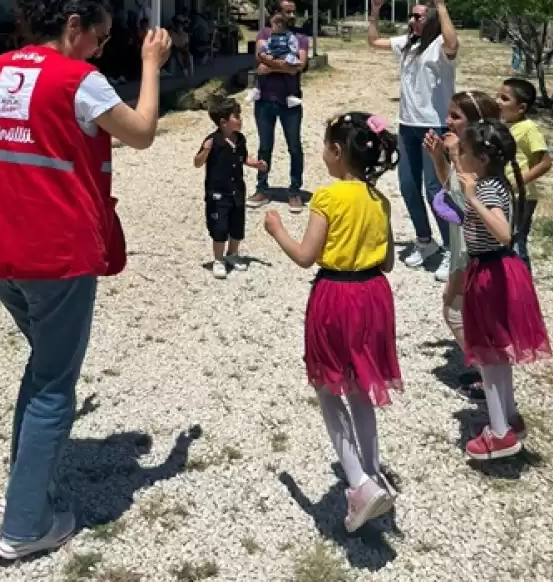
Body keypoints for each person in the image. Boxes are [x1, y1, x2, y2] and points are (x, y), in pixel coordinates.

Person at [0, 0, 171, 561]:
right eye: (100, 39)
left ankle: (29, 480)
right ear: (74, 25)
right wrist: (149, 65)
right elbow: (142, 132)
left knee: (43, 368)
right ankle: (24, 525)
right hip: (53, 251)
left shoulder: (1, 67)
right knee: (55, 384)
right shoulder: (78, 78)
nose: (101, 49)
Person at [263, 112, 402, 533]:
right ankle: (372, 472)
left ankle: (358, 483)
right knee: (361, 388)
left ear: (337, 152)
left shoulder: (327, 198)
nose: (323, 153)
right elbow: (390, 261)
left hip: (336, 297)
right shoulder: (380, 200)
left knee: (327, 388)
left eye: (325, 146)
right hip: (374, 295)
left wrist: (276, 230)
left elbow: (306, 255)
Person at [455, 119, 551, 460]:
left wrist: (472, 199)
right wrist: (449, 155)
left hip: (492, 272)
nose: (460, 157)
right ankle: (508, 419)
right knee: (498, 354)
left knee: (490, 356)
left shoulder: (487, 189)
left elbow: (503, 232)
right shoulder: (491, 180)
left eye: (463, 152)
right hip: (492, 270)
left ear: (480, 158)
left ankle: (499, 435)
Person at [368, 0, 458, 282]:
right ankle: (425, 241)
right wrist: (375, 12)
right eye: (411, 16)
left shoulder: (440, 49)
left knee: (436, 190)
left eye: (418, 16)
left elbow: (452, 41)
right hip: (407, 125)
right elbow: (373, 42)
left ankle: (453, 250)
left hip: (434, 126)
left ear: (431, 20)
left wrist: (441, 5)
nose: (411, 20)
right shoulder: (408, 43)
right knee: (408, 186)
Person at [424, 91, 501, 403]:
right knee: (468, 313)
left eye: (456, 116)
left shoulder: (479, 162)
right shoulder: (468, 153)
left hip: (473, 251)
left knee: (453, 310)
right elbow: (451, 191)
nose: (448, 121)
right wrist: (438, 160)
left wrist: (453, 157)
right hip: (462, 247)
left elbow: (472, 205)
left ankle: (491, 382)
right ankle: (490, 375)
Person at [193, 97, 267, 279]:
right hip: (217, 193)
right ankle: (218, 260)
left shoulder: (240, 139)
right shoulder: (213, 140)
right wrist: (205, 151)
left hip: (237, 191)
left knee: (237, 226)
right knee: (219, 227)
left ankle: (232, 254)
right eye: (236, 116)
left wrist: (255, 164)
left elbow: (243, 157)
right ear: (223, 122)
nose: (240, 119)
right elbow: (197, 162)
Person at [247, 0, 309, 213]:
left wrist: (271, 66)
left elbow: (299, 66)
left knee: (294, 147)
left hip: (290, 102)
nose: (292, 16)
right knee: (265, 146)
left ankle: (294, 191)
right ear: (277, 13)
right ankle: (262, 188)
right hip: (265, 99)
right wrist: (284, 66)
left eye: (294, 12)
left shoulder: (301, 37)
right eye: (287, 12)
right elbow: (259, 58)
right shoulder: (264, 34)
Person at [496, 78, 553, 272]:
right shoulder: (502, 125)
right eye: (497, 96)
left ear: (521, 108)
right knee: (501, 241)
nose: (497, 101)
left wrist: (516, 183)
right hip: (502, 194)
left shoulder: (529, 128)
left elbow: (545, 163)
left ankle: (523, 286)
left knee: (516, 244)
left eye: (504, 98)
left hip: (521, 197)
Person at [248, 13, 301, 108]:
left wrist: (287, 57)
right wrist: (263, 53)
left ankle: (290, 95)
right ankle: (257, 89)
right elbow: (266, 47)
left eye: (273, 25)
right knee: (262, 70)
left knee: (289, 75)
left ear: (280, 25)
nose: (271, 28)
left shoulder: (290, 36)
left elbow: (294, 48)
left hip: (285, 57)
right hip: (273, 56)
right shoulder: (272, 37)